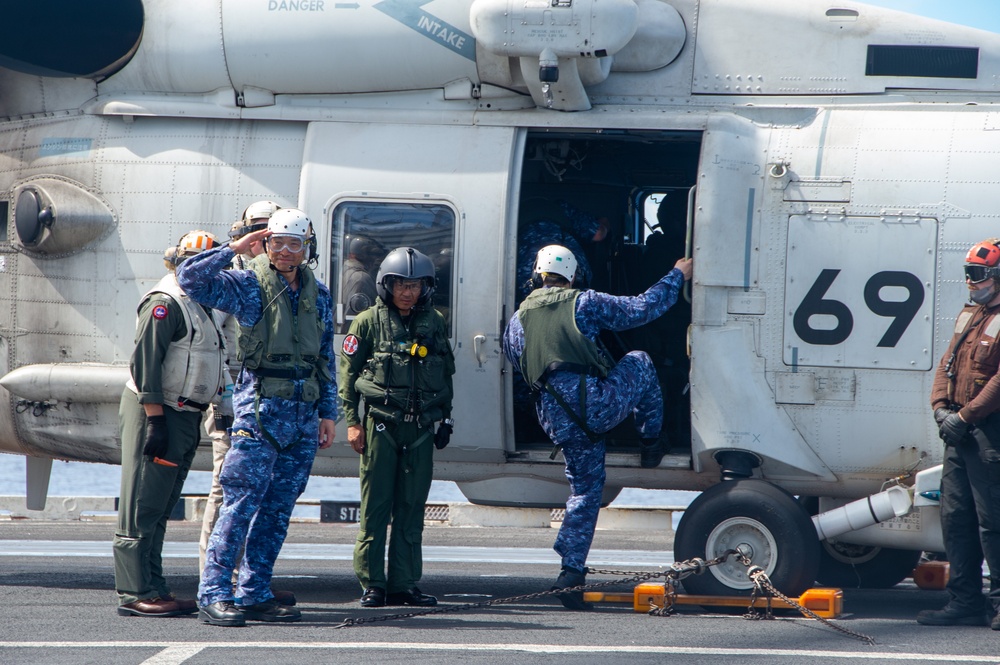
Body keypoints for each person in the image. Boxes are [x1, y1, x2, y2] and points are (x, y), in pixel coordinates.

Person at [502, 244, 692, 611]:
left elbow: (519, 365)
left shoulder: (516, 321)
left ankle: (571, 575)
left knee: (585, 493)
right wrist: (676, 275)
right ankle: (652, 440)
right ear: (572, 275)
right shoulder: (584, 303)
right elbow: (641, 309)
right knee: (639, 361)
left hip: (557, 421)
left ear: (537, 275)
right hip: (597, 405)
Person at [176, 208, 339, 627]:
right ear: (265, 244)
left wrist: (328, 413)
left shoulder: (318, 294)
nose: (285, 251)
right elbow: (190, 278)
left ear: (307, 248)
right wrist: (233, 249)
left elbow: (325, 357)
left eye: (294, 243)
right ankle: (213, 592)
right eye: (277, 242)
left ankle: (254, 592)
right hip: (260, 412)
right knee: (240, 503)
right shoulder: (247, 285)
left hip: (303, 415)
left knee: (278, 509)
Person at [114, 230, 228, 618]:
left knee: (162, 504)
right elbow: (145, 364)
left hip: (184, 412)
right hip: (160, 410)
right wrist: (155, 421)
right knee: (142, 502)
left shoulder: (203, 302)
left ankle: (155, 585)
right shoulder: (166, 303)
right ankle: (134, 591)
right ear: (179, 263)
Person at [339, 247, 455, 608]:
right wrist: (353, 423)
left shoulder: (433, 322)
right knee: (376, 507)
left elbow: (446, 373)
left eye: (416, 285)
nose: (408, 292)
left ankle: (403, 584)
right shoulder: (366, 323)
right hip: (381, 427)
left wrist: (445, 420)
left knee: (412, 508)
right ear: (385, 285)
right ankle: (373, 583)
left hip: (420, 428)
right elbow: (349, 377)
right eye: (401, 285)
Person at [197, 200, 295, 607]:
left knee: (264, 498)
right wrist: (223, 405)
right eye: (259, 230)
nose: (265, 239)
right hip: (236, 405)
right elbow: (216, 347)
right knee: (226, 493)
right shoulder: (234, 280)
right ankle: (213, 580)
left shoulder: (286, 279)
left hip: (273, 410)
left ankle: (249, 583)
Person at [923, 239, 1000, 630]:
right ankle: (965, 600)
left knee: (993, 521)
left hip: (988, 432)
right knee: (955, 517)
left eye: (979, 274)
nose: (971, 282)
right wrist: (940, 407)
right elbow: (946, 363)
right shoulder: (971, 315)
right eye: (969, 274)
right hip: (958, 430)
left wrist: (966, 416)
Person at [516, 198, 609, 301]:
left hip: (524, 277)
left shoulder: (510, 208)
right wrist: (604, 223)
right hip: (571, 277)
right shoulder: (561, 208)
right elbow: (598, 234)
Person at [341, 235, 384, 328]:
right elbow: (351, 315)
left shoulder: (345, 272)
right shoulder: (361, 278)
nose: (376, 258)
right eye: (373, 254)